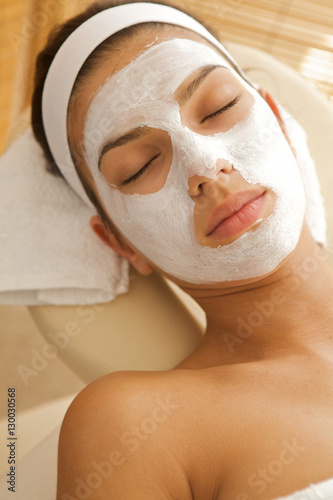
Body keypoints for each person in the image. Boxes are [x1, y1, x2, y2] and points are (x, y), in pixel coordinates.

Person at [31, 1, 333, 498]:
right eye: (138, 166)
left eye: (217, 108)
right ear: (121, 242)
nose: (205, 166)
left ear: (281, 124)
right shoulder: (139, 427)